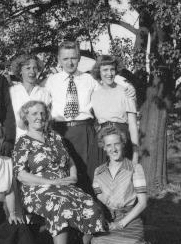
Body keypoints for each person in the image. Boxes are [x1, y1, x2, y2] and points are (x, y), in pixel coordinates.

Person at [13, 100, 107, 244]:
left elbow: (70, 161)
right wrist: (50, 183)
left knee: (93, 207)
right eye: (34, 113)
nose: (40, 117)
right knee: (60, 205)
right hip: (37, 189)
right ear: (25, 117)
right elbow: (21, 175)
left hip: (64, 186)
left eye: (42, 113)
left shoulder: (55, 137)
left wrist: (73, 177)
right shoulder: (23, 142)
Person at [45, 41, 135, 191]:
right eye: (65, 59)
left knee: (87, 173)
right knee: (62, 170)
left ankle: (90, 209)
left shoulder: (90, 79)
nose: (70, 62)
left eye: (73, 58)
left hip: (84, 131)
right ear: (59, 60)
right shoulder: (51, 81)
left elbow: (110, 80)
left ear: (79, 58)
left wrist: (128, 85)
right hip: (59, 131)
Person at [88, 125, 149, 244]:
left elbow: (142, 203)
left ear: (123, 144)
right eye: (109, 145)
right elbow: (98, 197)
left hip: (130, 221)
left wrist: (121, 223)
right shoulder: (98, 171)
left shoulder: (135, 168)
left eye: (117, 144)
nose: (113, 149)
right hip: (108, 220)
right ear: (103, 147)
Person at [91, 55, 139, 164]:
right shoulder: (94, 95)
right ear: (99, 72)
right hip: (102, 141)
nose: (109, 73)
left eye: (112, 69)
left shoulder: (126, 92)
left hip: (121, 139)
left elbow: (133, 125)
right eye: (105, 70)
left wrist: (135, 153)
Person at [10, 54, 51, 139]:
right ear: (20, 71)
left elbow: (47, 119)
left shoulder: (44, 93)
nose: (32, 72)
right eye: (28, 68)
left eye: (34, 68)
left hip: (39, 139)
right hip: (16, 138)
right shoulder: (12, 91)